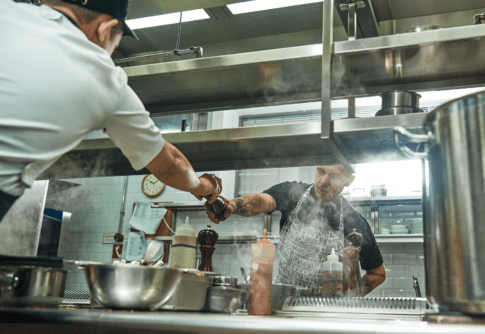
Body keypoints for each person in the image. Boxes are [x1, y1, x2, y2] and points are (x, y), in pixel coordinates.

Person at [0, 0, 222, 223]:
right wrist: (203, 186)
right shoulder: (104, 79)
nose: (110, 55)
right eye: (114, 47)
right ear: (104, 29)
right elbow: (171, 166)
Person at [204, 165, 386, 296]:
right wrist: (233, 205)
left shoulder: (355, 222)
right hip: (283, 304)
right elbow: (261, 202)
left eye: (335, 176)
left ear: (349, 180)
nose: (323, 182)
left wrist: (350, 297)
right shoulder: (292, 193)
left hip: (327, 314)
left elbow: (377, 273)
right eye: (320, 171)